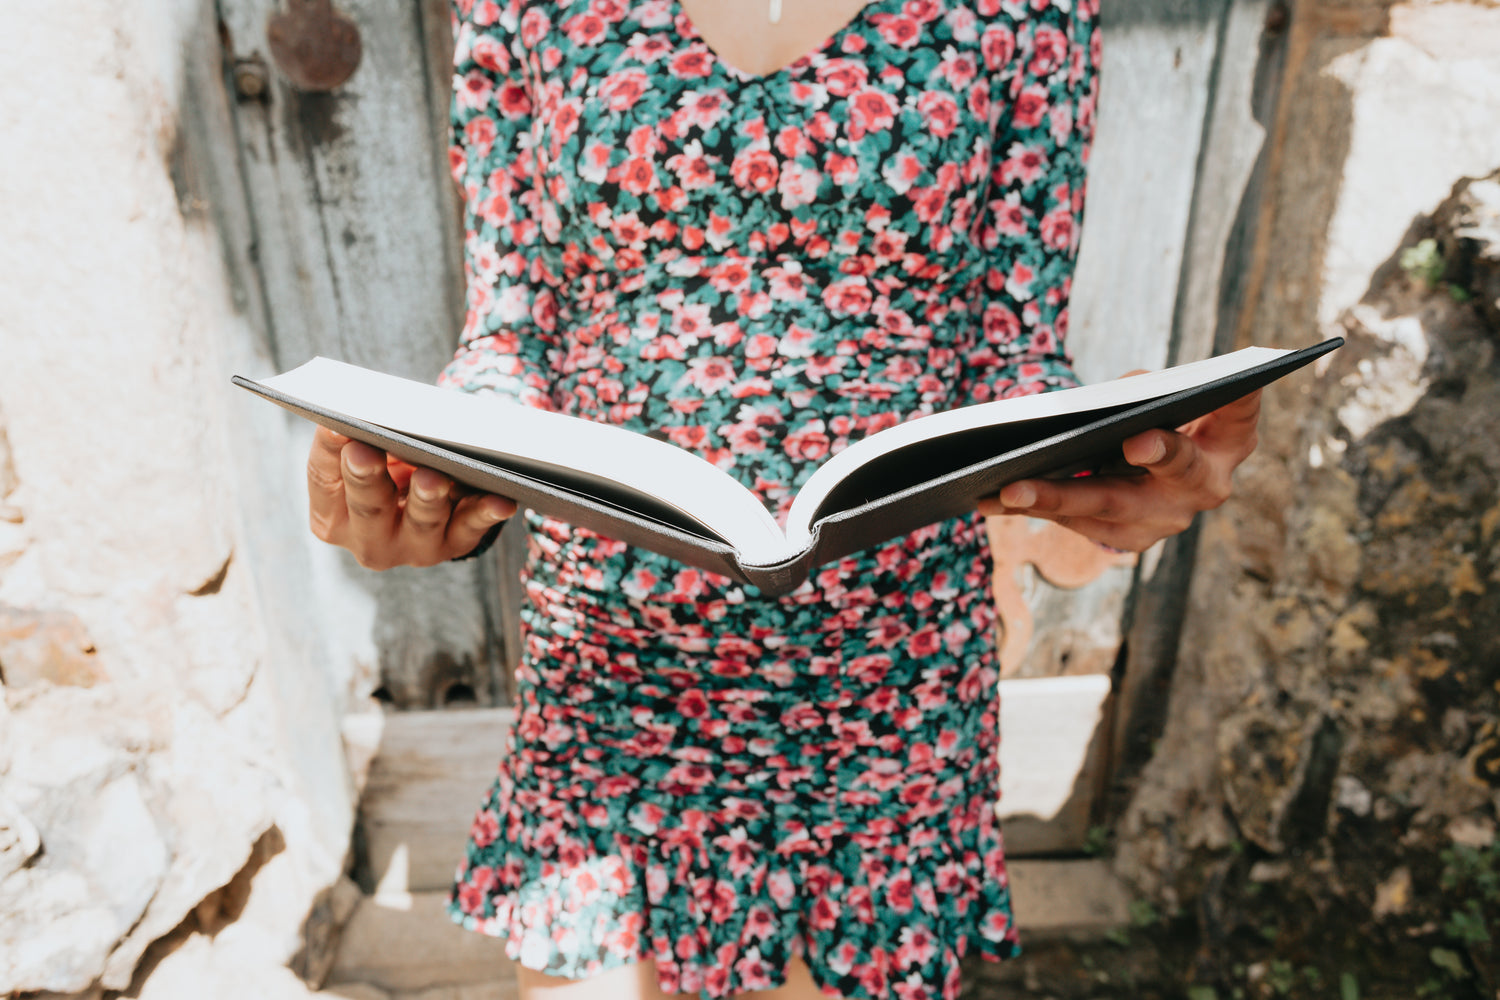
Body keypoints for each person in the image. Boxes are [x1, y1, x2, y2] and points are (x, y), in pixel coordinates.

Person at [304, 0, 1261, 997]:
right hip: (615, 665)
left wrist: (1110, 472)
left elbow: (1013, 350)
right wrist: (429, 474)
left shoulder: (1030, 7)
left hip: (888, 677)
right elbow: (511, 329)